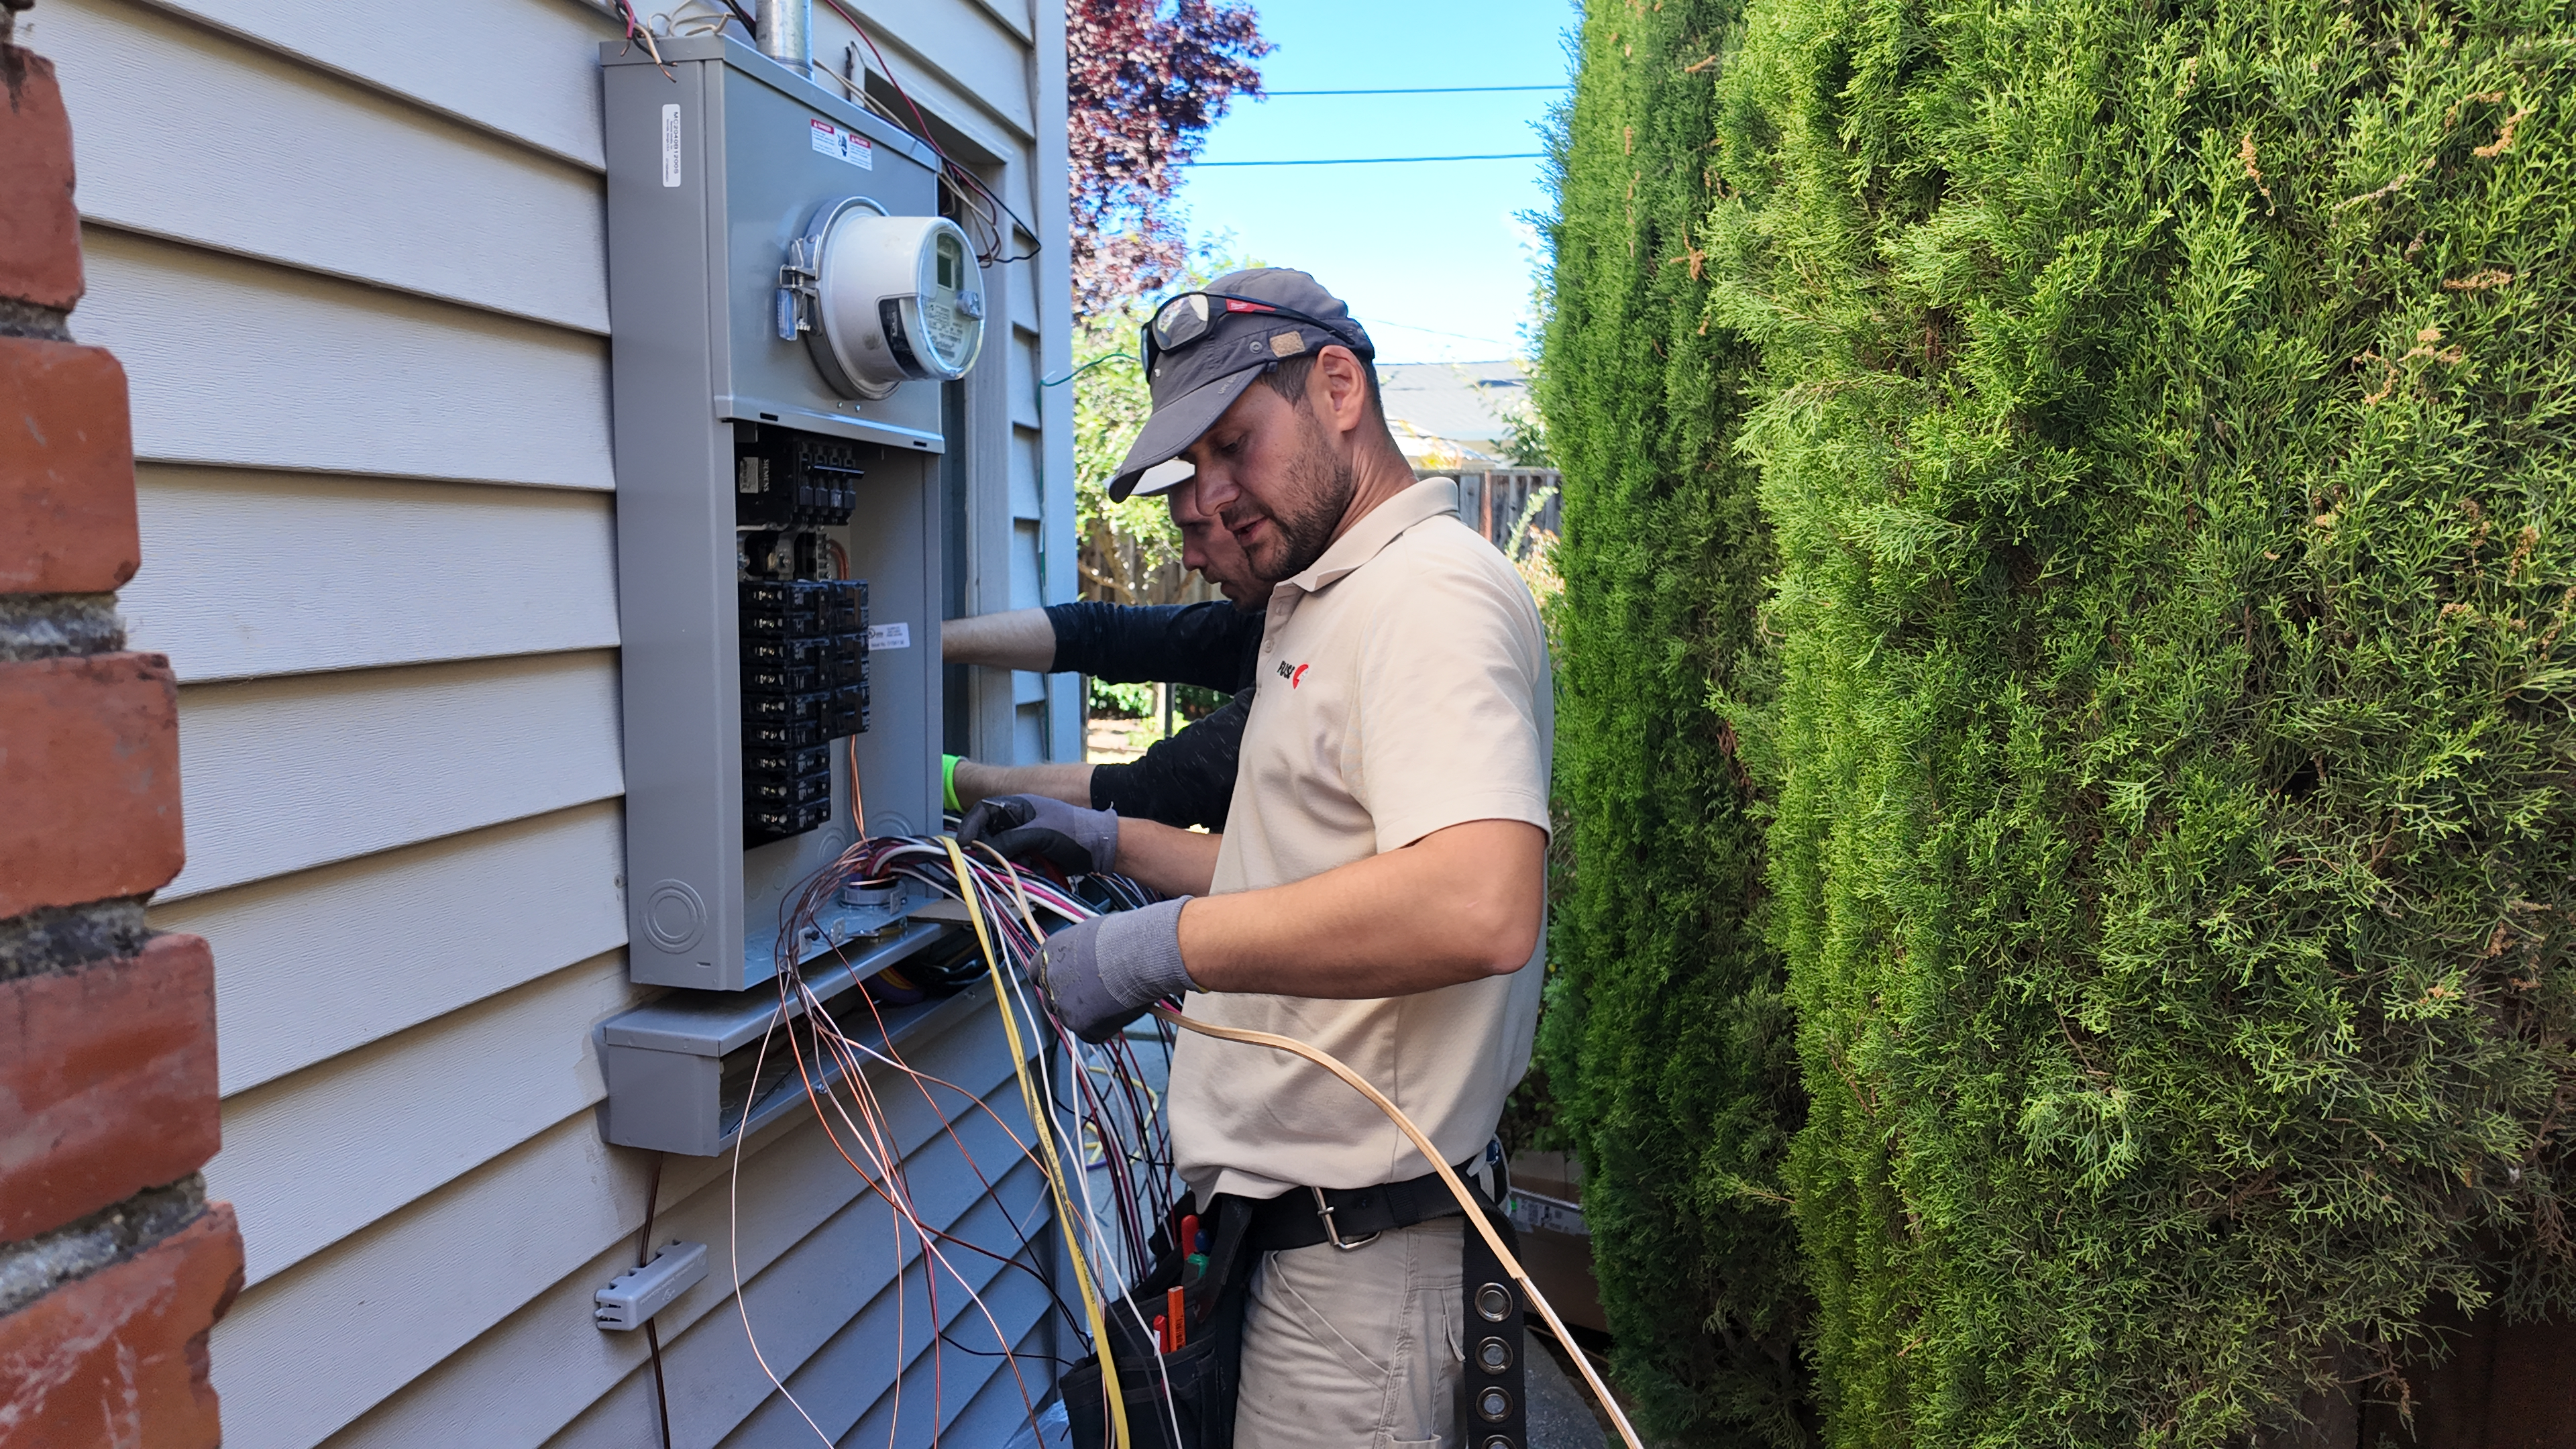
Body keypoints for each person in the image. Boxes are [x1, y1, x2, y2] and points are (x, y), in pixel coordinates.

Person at [963, 268, 1552, 1449]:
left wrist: (1154, 947)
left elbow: (1477, 901)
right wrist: (1108, 842)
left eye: (1236, 443)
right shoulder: (1327, 601)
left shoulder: (1427, 599)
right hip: (1307, 1253)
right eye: (1194, 470)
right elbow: (1312, 872)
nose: (1214, 496)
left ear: (1338, 386)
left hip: (1362, 1277)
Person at [938, 480, 1261, 830]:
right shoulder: (1267, 619)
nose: (1189, 559)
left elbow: (1148, 790)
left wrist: (946, 780)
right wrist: (930, 644)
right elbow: (1104, 635)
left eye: (1200, 528)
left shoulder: (1314, 658)